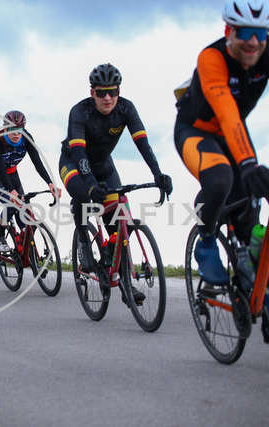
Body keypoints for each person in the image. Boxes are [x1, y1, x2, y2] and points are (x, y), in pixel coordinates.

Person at [174, 0, 269, 334]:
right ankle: (206, 239)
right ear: (229, 30)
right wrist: (248, 163)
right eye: (245, 33)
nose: (253, 42)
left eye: (261, 34)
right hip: (196, 131)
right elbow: (226, 109)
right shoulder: (211, 58)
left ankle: (254, 284)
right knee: (220, 180)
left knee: (251, 219)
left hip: (233, 134)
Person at [59, 63, 173, 304]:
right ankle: (83, 239)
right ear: (92, 93)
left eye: (113, 91)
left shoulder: (125, 108)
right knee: (84, 194)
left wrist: (158, 175)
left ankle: (123, 281)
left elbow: (143, 143)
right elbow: (79, 153)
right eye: (101, 92)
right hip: (73, 163)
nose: (108, 97)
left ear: (119, 91)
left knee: (119, 224)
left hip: (104, 166)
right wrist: (91, 185)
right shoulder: (80, 112)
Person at [0, 110, 61, 252]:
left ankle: (23, 242)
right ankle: (0, 232)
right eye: (12, 130)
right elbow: (1, 169)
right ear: (5, 128)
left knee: (24, 208)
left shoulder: (26, 138)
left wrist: (50, 183)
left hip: (12, 173)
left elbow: (37, 163)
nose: (16, 134)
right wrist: (12, 191)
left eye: (19, 130)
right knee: (12, 202)